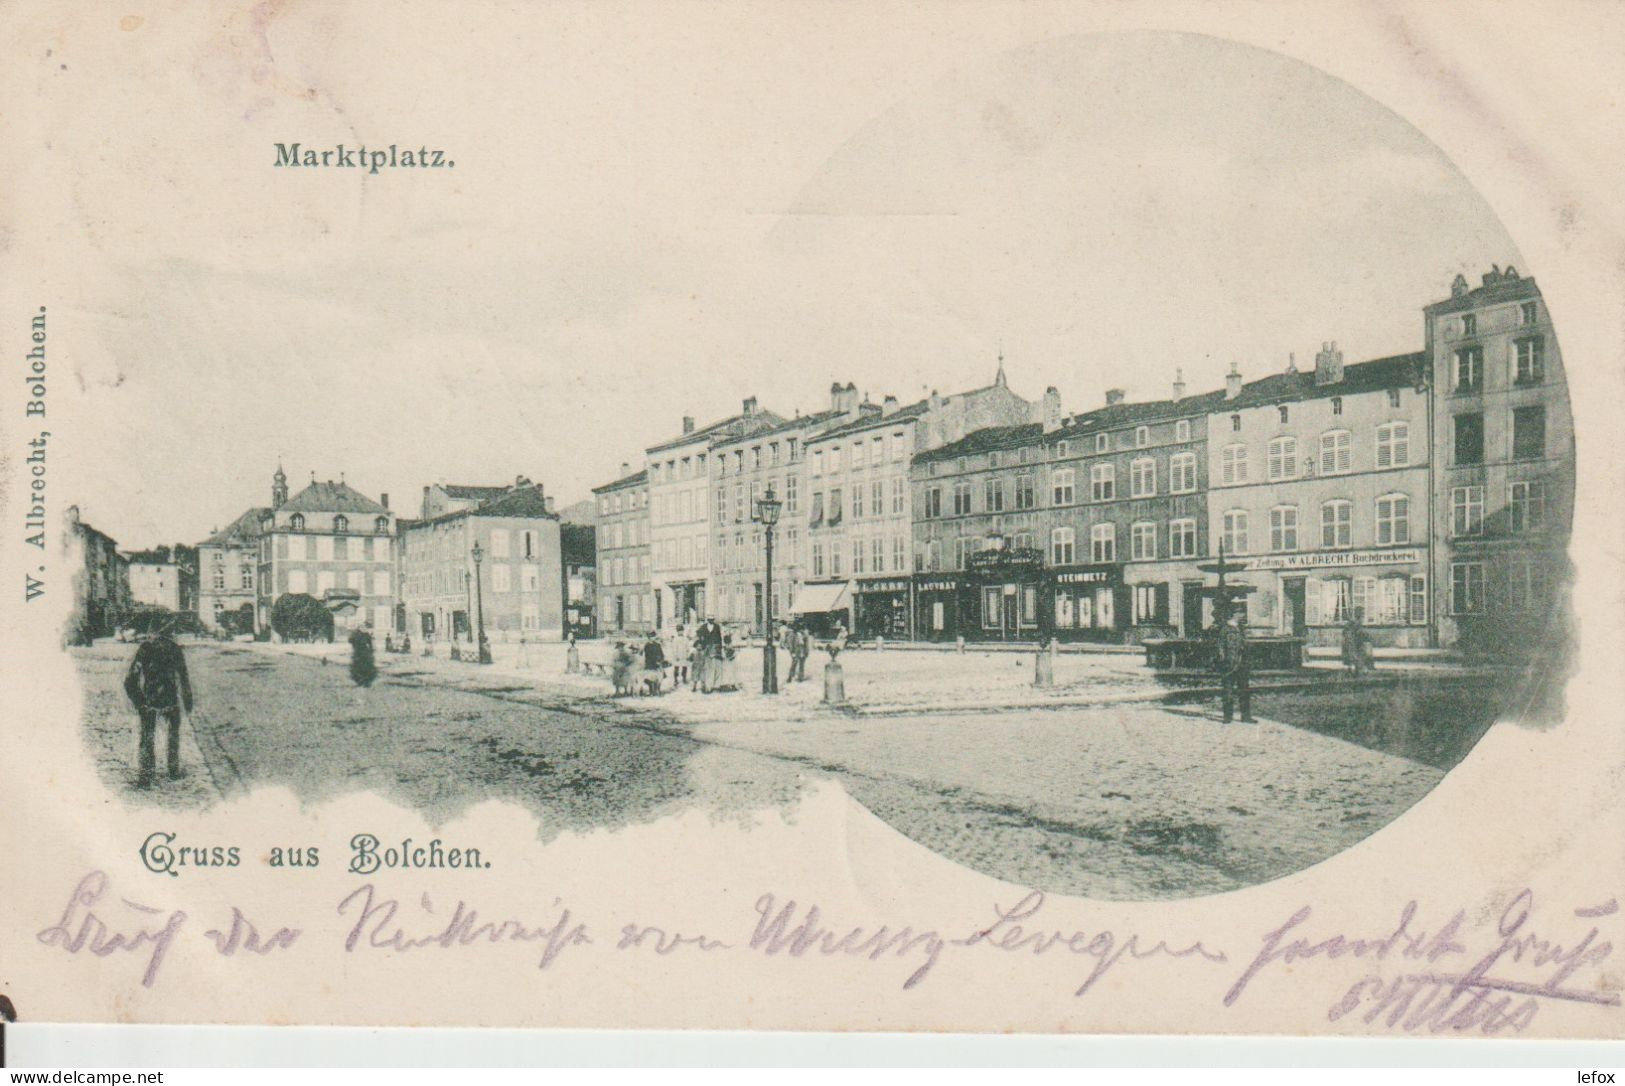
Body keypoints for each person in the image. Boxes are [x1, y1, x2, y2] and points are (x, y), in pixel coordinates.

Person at [122, 621, 194, 788]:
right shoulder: (175, 649)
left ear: (152, 632)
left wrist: (139, 702)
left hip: (149, 700)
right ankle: (173, 770)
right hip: (170, 700)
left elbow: (129, 681)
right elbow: (184, 678)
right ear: (170, 632)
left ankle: (146, 776)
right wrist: (188, 701)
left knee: (147, 737)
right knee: (173, 735)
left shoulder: (145, 649)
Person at [1215, 609, 1254, 723]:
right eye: (1241, 613)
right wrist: (1223, 660)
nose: (1243, 615)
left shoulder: (1241, 629)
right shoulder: (1225, 629)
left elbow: (1245, 644)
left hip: (1242, 663)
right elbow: (1220, 646)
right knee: (1228, 691)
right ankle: (1228, 717)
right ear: (1234, 615)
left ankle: (1246, 716)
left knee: (1244, 690)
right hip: (1229, 664)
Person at [695, 616, 723, 693]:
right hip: (706, 649)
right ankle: (708, 687)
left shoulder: (717, 627)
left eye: (712, 619)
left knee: (716, 667)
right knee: (707, 668)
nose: (711, 621)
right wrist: (701, 641)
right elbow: (698, 635)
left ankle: (716, 685)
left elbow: (719, 638)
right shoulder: (703, 627)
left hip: (715, 648)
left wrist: (719, 648)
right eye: (710, 620)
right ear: (707, 620)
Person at [641, 631, 668, 696]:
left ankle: (657, 690)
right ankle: (651, 691)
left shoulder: (657, 645)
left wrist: (660, 660)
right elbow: (645, 655)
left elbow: (661, 654)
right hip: (650, 664)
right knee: (649, 678)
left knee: (659, 678)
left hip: (657, 664)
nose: (652, 638)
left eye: (653, 637)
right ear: (648, 638)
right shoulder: (647, 645)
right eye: (650, 637)